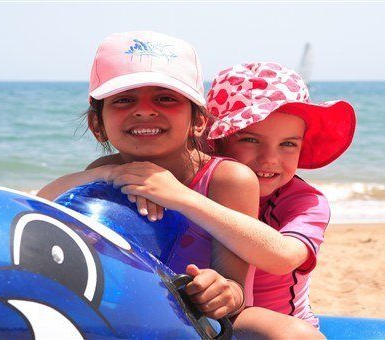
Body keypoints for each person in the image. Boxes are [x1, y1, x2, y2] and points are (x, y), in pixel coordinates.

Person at [105, 62, 355, 337]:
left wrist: (184, 198)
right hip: (192, 309)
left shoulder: (304, 201)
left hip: (262, 319)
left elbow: (283, 257)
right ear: (217, 141)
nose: (270, 158)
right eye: (250, 140)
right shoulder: (203, 179)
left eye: (288, 144)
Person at [38, 31, 254, 325]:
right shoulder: (104, 172)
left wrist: (221, 291)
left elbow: (236, 288)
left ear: (199, 120)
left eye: (165, 98)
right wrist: (106, 174)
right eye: (124, 100)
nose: (143, 111)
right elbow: (38, 208)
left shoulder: (227, 179)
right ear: (97, 124)